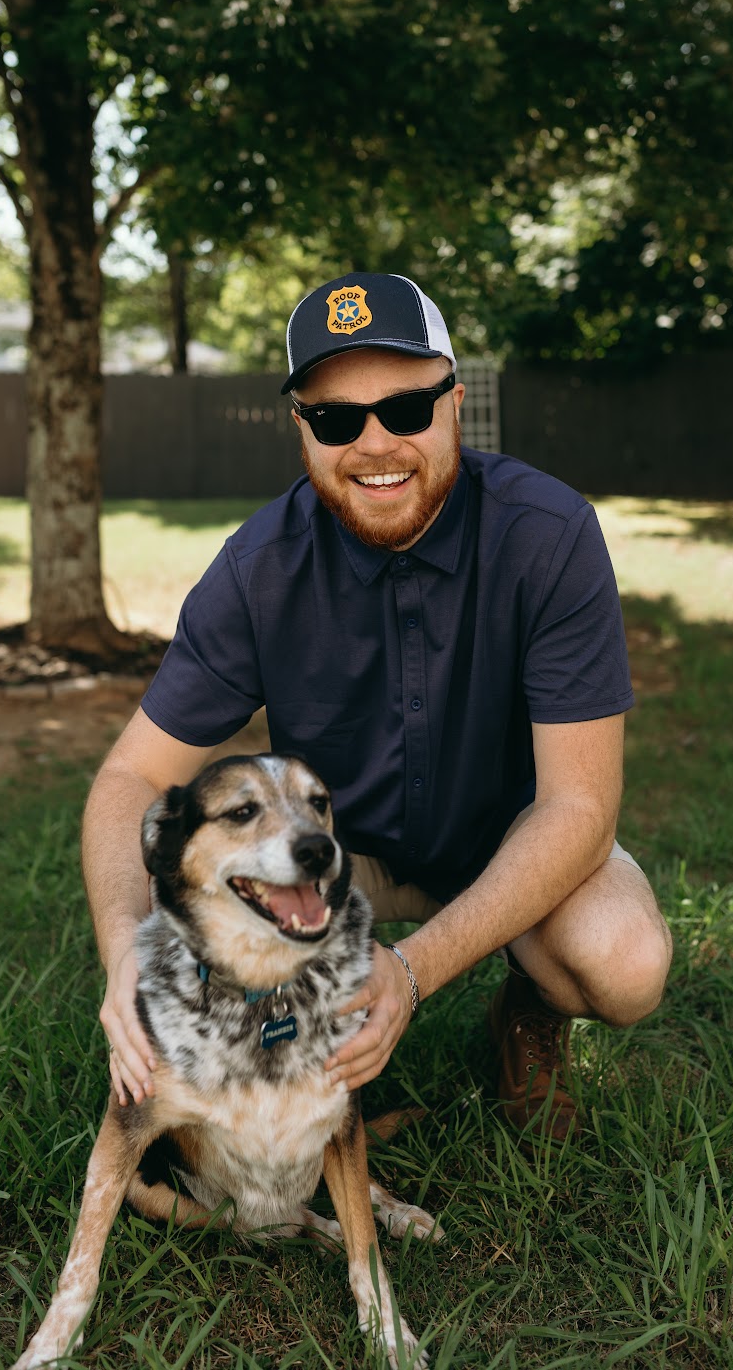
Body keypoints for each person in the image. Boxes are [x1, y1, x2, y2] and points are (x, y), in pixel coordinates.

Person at [86, 272, 672, 1140]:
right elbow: (131, 777)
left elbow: (578, 809)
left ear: (454, 405)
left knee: (623, 964)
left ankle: (527, 1007)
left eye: (404, 409)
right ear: (302, 429)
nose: (374, 444)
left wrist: (412, 968)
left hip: (508, 840)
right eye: (335, 420)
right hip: (333, 858)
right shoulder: (257, 569)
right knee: (184, 890)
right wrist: (124, 953)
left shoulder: (548, 535)